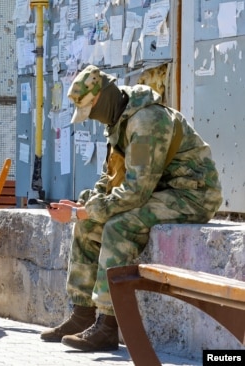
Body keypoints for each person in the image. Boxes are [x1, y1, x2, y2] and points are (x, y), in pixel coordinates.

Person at [40, 65, 222, 351]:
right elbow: (112, 178)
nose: (93, 119)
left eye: (91, 109)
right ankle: (82, 314)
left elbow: (136, 192)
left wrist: (81, 212)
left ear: (103, 97)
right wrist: (85, 205)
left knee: (118, 227)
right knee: (88, 225)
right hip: (158, 192)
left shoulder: (147, 121)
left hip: (191, 195)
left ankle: (108, 326)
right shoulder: (119, 121)